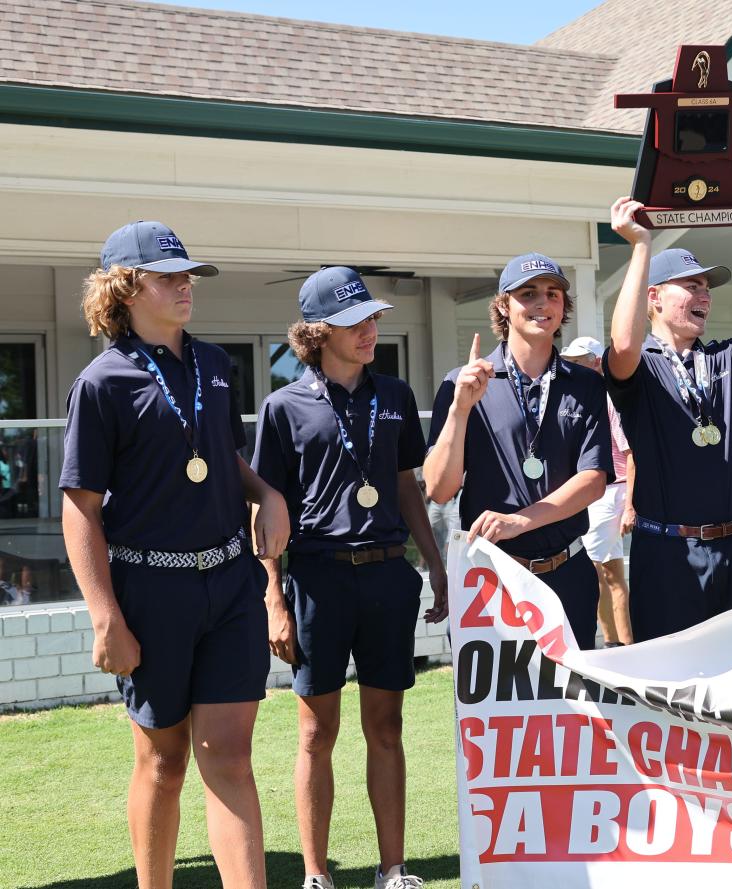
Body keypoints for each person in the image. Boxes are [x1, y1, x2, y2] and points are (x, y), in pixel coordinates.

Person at [60, 221, 290, 889]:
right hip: (149, 592)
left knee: (230, 756)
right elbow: (82, 507)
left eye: (188, 274)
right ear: (126, 288)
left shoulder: (216, 365)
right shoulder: (101, 383)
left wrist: (266, 491)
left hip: (229, 583)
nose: (185, 285)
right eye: (168, 275)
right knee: (163, 763)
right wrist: (106, 617)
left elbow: (219, 458)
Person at [252, 267, 448, 889]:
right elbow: (266, 505)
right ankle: (317, 875)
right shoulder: (283, 407)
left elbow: (406, 486)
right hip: (316, 580)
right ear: (316, 333)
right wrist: (272, 598)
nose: (369, 330)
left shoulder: (393, 395)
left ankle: (395, 869)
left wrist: (436, 563)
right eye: (352, 322)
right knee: (317, 732)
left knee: (386, 726)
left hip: (388, 576)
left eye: (372, 319)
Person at [605, 194, 732, 642]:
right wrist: (641, 247)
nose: (704, 295)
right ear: (653, 297)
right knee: (673, 690)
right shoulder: (640, 365)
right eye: (690, 285)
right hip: (667, 554)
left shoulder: (725, 359)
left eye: (706, 287)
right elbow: (621, 345)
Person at [424, 253, 612, 650]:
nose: (542, 303)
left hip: (568, 573)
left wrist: (520, 521)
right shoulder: (462, 382)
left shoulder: (587, 384)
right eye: (528, 294)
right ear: (504, 306)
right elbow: (439, 489)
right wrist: (460, 409)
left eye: (553, 294)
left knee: (572, 708)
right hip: (491, 576)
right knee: (492, 713)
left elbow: (593, 481)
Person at [561, 335, 635, 646]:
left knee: (607, 575)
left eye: (578, 362)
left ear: (595, 363)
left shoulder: (608, 400)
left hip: (611, 493)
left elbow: (632, 455)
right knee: (605, 575)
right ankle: (615, 645)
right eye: (571, 363)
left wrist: (630, 504)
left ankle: (623, 648)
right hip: (600, 495)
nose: (572, 368)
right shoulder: (589, 399)